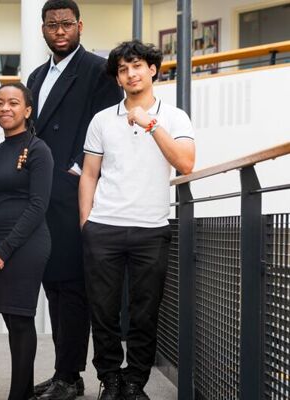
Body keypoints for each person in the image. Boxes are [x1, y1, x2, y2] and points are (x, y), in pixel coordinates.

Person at [79, 39, 195, 400]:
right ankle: (110, 379)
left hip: (151, 229)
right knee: (104, 311)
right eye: (123, 69)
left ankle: (134, 383)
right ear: (117, 77)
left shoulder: (174, 117)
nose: (130, 74)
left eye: (137, 66)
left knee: (145, 313)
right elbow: (89, 174)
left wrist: (151, 124)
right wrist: (86, 223)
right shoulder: (102, 120)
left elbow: (186, 163)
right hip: (104, 228)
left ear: (152, 70)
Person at [26, 1, 123, 399]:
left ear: (80, 26)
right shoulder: (35, 76)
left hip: (74, 192)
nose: (60, 30)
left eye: (67, 24)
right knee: (53, 286)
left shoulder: (99, 71)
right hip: (41, 194)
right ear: (43, 29)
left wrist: (77, 169)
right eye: (52, 25)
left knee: (72, 287)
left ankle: (69, 376)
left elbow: (109, 126)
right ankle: (65, 372)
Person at [0, 83, 54, 400]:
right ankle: (23, 393)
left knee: (21, 319)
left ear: (27, 110)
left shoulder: (38, 150)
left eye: (13, 103)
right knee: (11, 318)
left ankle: (18, 395)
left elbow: (38, 205)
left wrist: (4, 249)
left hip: (26, 245)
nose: (5, 108)